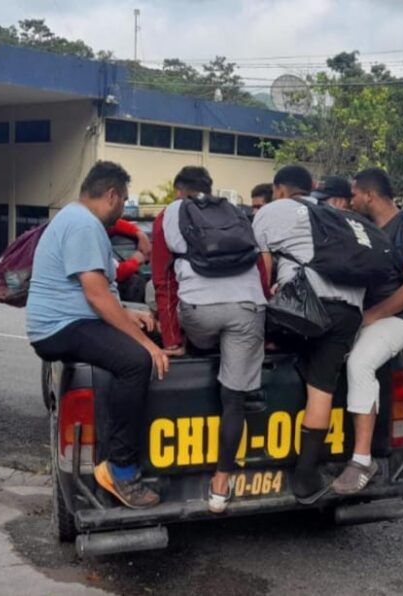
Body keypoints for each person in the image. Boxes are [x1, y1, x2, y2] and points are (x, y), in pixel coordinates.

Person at [27, 161, 169, 510]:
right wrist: (147, 345)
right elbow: (96, 294)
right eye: (123, 202)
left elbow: (100, 293)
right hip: (60, 328)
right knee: (136, 361)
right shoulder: (83, 225)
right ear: (112, 195)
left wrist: (133, 315)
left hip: (74, 319)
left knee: (145, 333)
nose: (123, 208)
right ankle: (121, 470)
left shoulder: (76, 219)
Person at [151, 166, 267, 513]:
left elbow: (162, 281)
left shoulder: (168, 215)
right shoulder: (234, 211)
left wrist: (173, 339)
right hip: (248, 308)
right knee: (234, 399)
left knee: (197, 337)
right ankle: (220, 486)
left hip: (200, 312)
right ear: (209, 190)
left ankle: (200, 346)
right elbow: (259, 267)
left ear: (178, 191)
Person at [252, 164, 365, 504]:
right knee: (322, 389)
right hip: (348, 309)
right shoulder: (333, 214)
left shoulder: (273, 211)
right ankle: (305, 477)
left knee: (268, 335)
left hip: (301, 308)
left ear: (281, 190)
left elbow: (263, 268)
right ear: (312, 188)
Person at [332, 167, 403, 495]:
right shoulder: (369, 228)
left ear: (370, 194)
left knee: (359, 363)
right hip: (376, 315)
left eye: (355, 194)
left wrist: (373, 314)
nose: (352, 199)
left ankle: (362, 460)